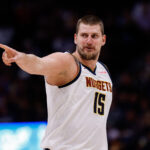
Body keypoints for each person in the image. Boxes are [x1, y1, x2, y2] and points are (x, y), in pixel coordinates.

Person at [0, 15, 113, 150]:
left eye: (94, 36)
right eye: (84, 35)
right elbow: (39, 63)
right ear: (76, 39)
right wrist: (21, 58)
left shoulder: (104, 71)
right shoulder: (66, 62)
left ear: (103, 40)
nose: (89, 41)